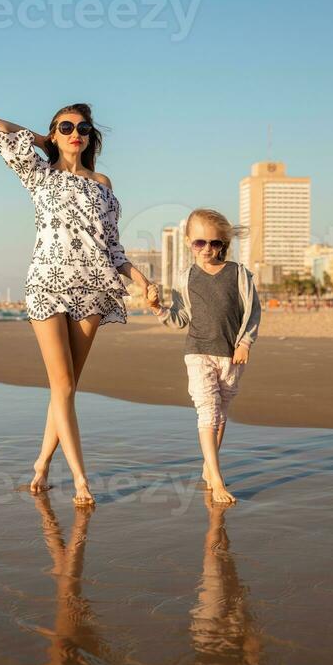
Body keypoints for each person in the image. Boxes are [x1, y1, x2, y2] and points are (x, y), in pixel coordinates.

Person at [0, 103, 151, 507]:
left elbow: (114, 249)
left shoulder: (103, 182)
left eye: (82, 127)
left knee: (66, 389)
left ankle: (42, 464)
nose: (75, 132)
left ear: (90, 135)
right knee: (61, 385)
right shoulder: (39, 174)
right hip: (47, 285)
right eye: (66, 127)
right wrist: (44, 141)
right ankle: (81, 479)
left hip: (92, 291)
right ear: (54, 133)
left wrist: (144, 281)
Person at [146, 208, 261, 505]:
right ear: (188, 242)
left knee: (220, 414)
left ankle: (208, 467)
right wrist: (158, 308)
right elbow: (180, 318)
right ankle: (218, 478)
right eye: (200, 243)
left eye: (215, 243)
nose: (207, 249)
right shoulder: (185, 278)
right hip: (197, 353)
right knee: (208, 411)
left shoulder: (238, 274)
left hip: (231, 355)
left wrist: (245, 343)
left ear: (223, 244)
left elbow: (252, 312)